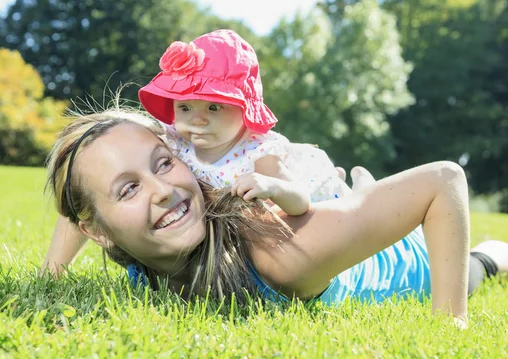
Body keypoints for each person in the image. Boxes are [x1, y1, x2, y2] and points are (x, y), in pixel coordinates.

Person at [43, 107, 508, 327]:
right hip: (334, 230)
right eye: (130, 188)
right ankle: (359, 192)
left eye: (164, 162)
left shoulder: (276, 256)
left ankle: (490, 256)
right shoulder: (124, 236)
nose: (163, 190)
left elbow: (445, 180)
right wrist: (52, 272)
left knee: (471, 267)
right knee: (345, 207)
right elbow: (82, 193)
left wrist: (451, 326)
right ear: (97, 231)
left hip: (412, 262)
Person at [43, 29, 375, 272]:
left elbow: (300, 201)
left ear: (243, 111)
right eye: (185, 107)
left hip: (308, 192)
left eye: (214, 108)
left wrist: (271, 186)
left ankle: (362, 187)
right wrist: (53, 269)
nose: (198, 122)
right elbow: (91, 181)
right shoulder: (174, 140)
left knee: (353, 213)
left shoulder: (259, 155)